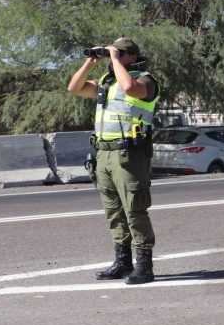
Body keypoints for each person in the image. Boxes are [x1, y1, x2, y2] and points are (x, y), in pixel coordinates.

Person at [67, 38, 160, 284]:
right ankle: (123, 262)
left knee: (134, 209)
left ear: (132, 56)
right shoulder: (107, 82)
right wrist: (90, 61)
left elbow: (130, 88)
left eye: (119, 53)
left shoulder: (146, 80)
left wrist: (115, 59)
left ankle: (145, 267)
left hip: (129, 155)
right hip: (104, 153)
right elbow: (74, 88)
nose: (112, 57)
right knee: (114, 211)